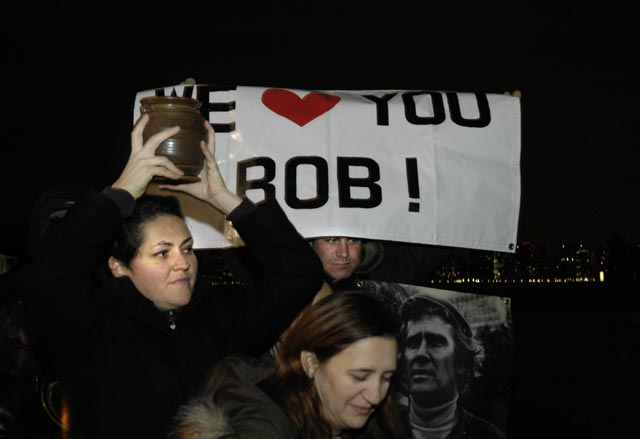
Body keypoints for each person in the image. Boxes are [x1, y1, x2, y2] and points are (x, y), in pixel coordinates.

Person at [14, 113, 324, 439]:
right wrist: (121, 192)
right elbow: (50, 276)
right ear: (119, 266)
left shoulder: (223, 320)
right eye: (162, 253)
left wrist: (223, 199)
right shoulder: (93, 333)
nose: (184, 263)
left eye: (187, 248)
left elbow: (299, 273)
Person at [169, 290, 408, 439]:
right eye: (360, 376)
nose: (376, 396)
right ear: (311, 363)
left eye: (386, 377)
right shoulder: (267, 419)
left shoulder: (382, 425)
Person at [397, 293, 505, 439]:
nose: (421, 354)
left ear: (461, 362)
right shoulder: (378, 427)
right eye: (413, 343)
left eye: (436, 342)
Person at [311, 237, 383, 291]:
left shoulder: (383, 291)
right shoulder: (302, 295)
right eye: (332, 240)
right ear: (311, 244)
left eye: (352, 240)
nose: (344, 254)